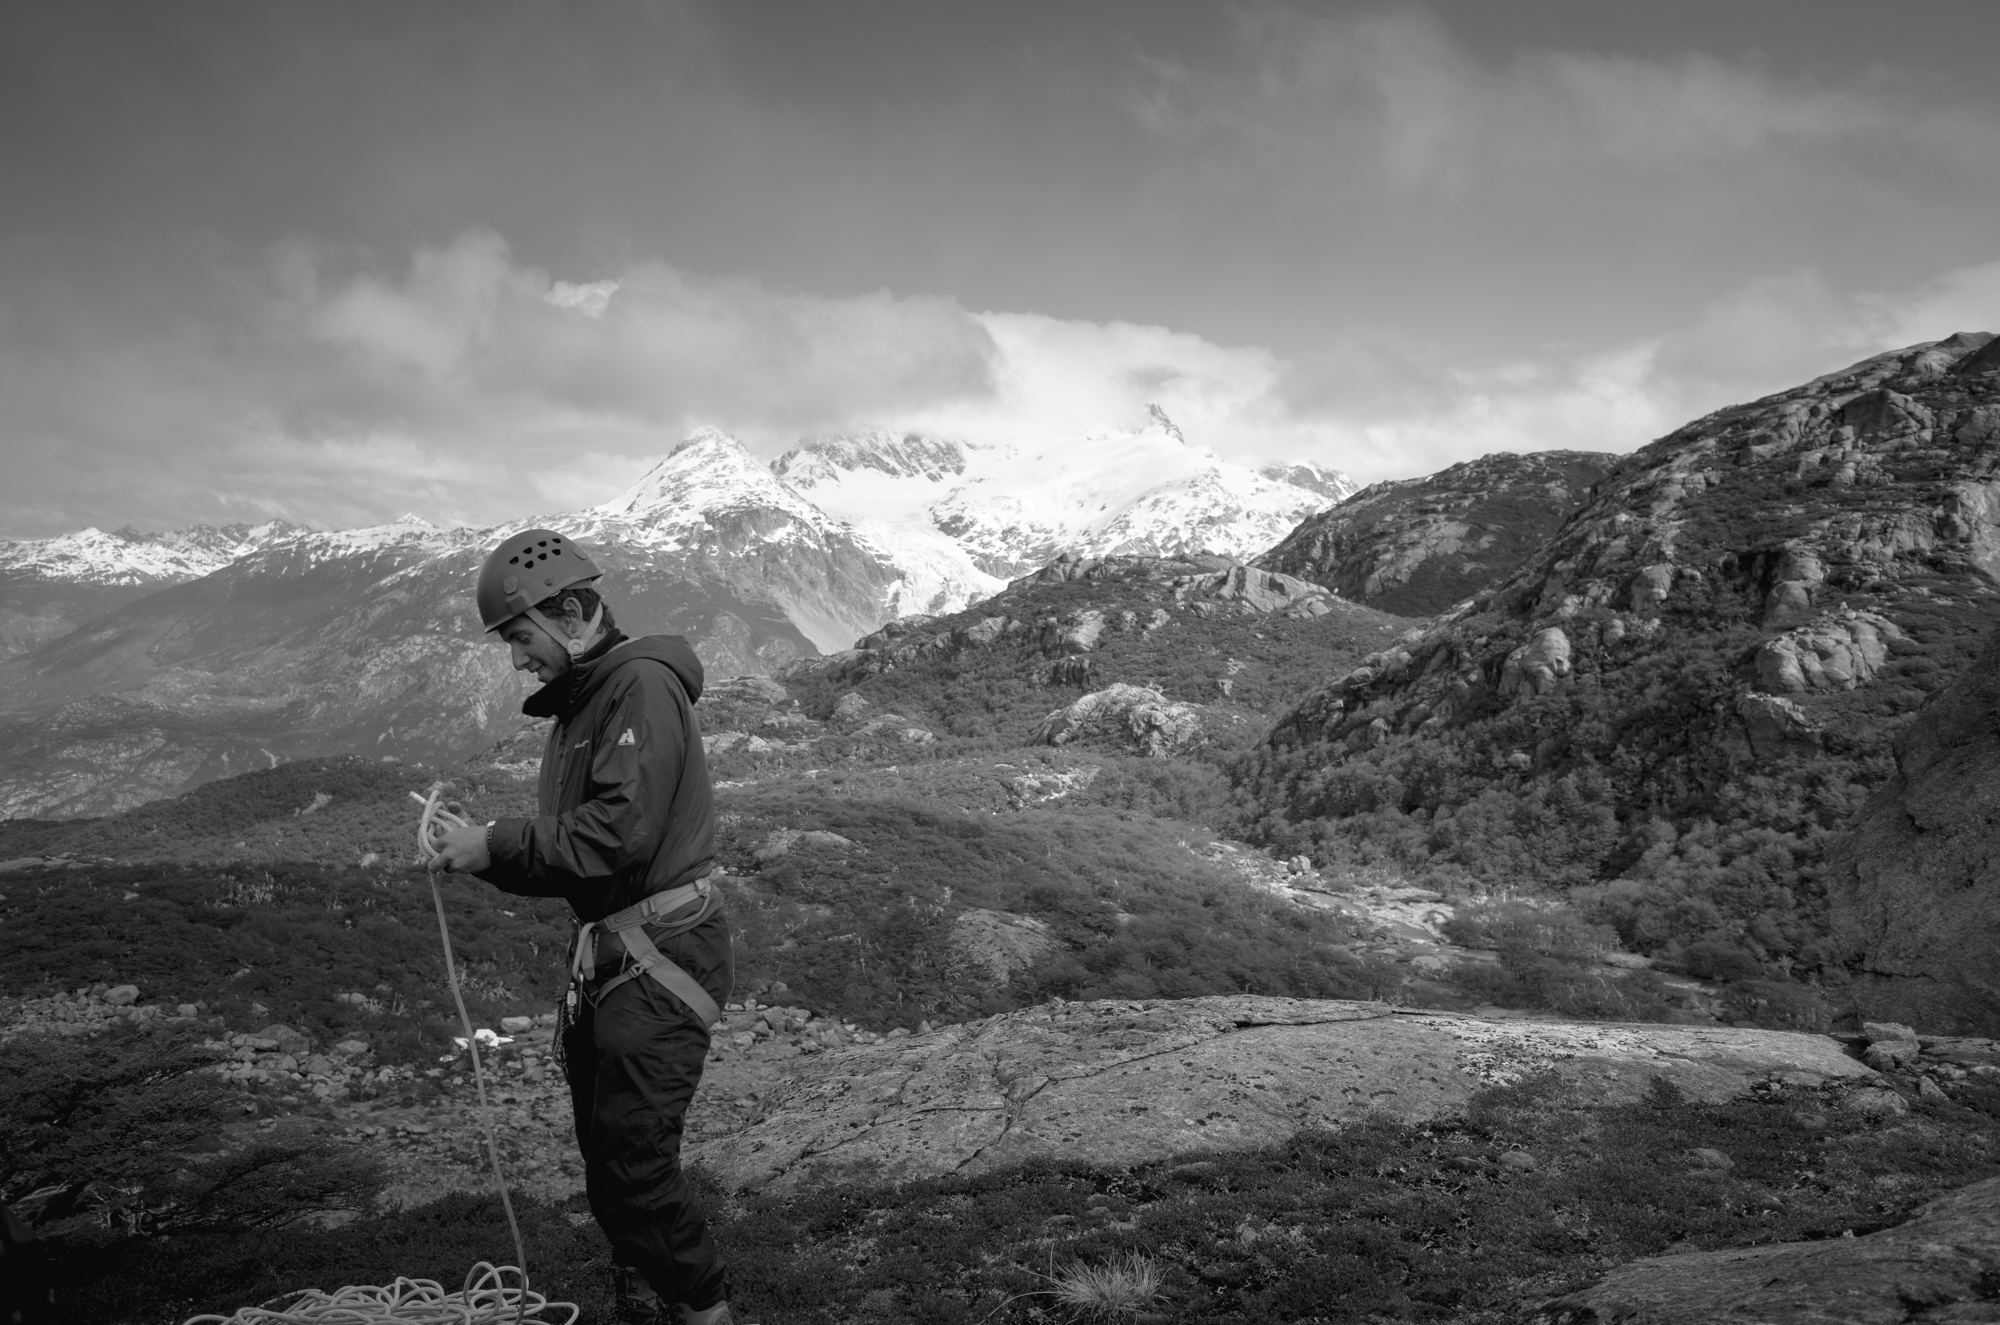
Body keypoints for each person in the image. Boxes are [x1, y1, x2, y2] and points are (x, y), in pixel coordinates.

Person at [426, 529, 739, 1325]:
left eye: (520, 637)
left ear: (569, 612)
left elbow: (617, 835)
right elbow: (585, 854)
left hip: (660, 953)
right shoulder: (586, 701)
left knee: (633, 1166)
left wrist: (494, 841)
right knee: (609, 1162)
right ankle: (660, 1298)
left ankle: (708, 1313)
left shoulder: (636, 686)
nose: (516, 660)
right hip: (621, 957)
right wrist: (484, 852)